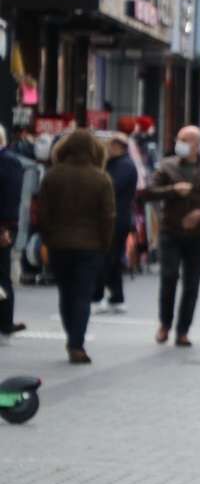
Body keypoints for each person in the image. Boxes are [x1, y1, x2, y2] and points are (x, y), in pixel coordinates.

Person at [144, 125, 200, 347]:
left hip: (197, 234)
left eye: (185, 140)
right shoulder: (167, 165)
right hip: (170, 231)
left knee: (192, 283)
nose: (179, 143)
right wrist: (173, 190)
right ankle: (165, 324)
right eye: (179, 139)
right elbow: (149, 191)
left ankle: (183, 330)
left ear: (197, 145)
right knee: (169, 277)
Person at [37, 130, 115, 363]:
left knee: (66, 292)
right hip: (91, 246)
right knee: (82, 294)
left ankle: (72, 334)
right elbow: (108, 216)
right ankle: (76, 343)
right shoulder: (101, 178)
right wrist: (105, 244)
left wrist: (47, 239)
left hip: (59, 244)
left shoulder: (53, 176)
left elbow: (43, 213)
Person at [93, 133, 140, 314]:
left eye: (109, 146)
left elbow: (110, 187)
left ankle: (97, 297)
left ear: (118, 147)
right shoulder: (116, 164)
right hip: (114, 218)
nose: (106, 149)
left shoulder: (125, 166)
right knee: (112, 260)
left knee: (105, 259)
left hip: (116, 219)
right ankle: (117, 298)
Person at [0, 125, 28, 336]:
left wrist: (5, 228)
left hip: (3, 226)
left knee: (2, 275)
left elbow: (10, 198)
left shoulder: (9, 162)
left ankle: (5, 323)